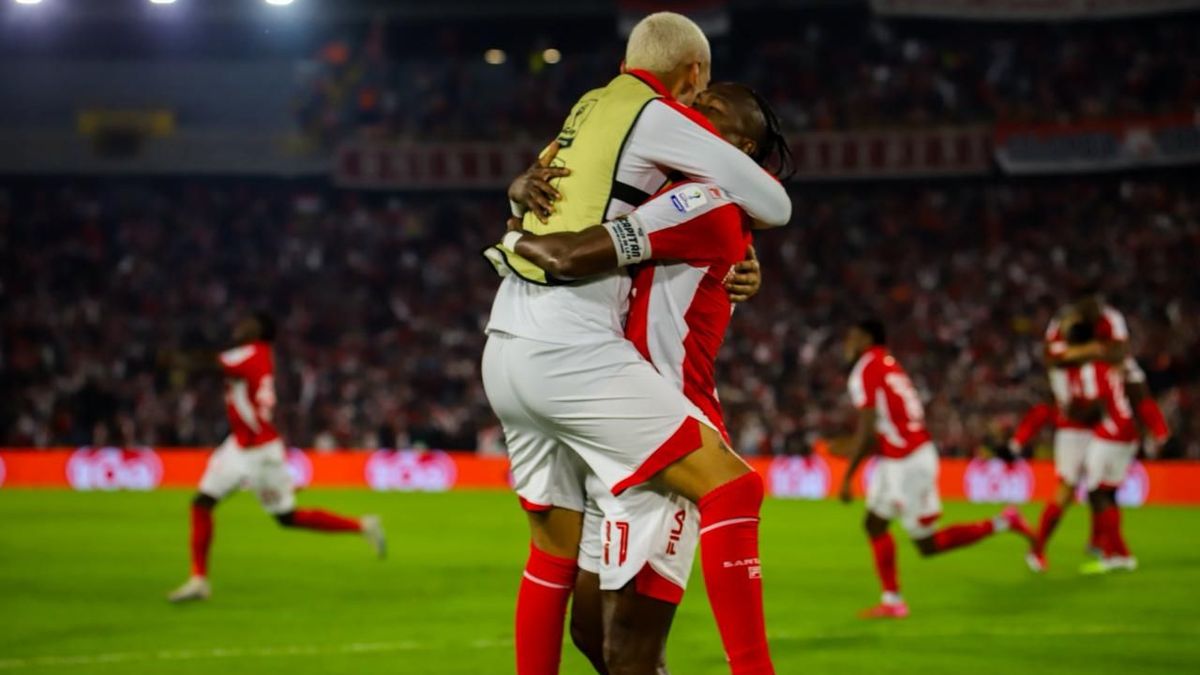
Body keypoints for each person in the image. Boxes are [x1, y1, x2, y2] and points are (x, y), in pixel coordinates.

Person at [481, 12, 790, 675]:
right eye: (694, 107)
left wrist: (511, 236)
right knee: (600, 639)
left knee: (618, 638)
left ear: (731, 148)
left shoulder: (691, 191)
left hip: (627, 397)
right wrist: (516, 195)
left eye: (708, 116)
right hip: (605, 401)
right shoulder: (658, 177)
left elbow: (574, 247)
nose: (691, 118)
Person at [167, 313, 385, 603]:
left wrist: (179, 360)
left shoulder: (253, 351)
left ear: (261, 332)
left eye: (248, 323)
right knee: (201, 503)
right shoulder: (258, 355)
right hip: (239, 445)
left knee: (286, 517)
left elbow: (213, 363)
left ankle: (362, 525)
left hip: (261, 452)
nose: (239, 325)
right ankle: (199, 579)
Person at [838, 319, 1033, 619]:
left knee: (927, 544)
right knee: (874, 524)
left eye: (851, 337)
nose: (846, 345)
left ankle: (1003, 522)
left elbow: (866, 428)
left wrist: (849, 475)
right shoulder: (888, 364)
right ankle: (892, 600)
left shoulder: (865, 368)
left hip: (910, 462)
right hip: (899, 459)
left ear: (865, 338)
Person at [1020, 289, 1169, 572]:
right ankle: (1039, 548)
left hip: (1101, 425)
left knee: (1099, 489)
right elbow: (1052, 358)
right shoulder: (1070, 335)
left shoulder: (1106, 335)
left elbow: (1116, 354)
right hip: (1077, 428)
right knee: (1073, 488)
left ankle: (1107, 547)